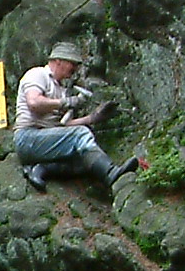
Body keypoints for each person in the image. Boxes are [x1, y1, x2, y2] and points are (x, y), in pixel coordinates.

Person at [12, 40, 144, 192]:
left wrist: (94, 117)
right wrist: (65, 102)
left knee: (85, 160)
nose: (75, 68)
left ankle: (40, 168)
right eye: (72, 63)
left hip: (44, 140)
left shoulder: (60, 89)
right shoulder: (38, 74)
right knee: (80, 134)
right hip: (28, 137)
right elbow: (34, 102)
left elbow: (62, 127)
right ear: (58, 61)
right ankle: (110, 173)